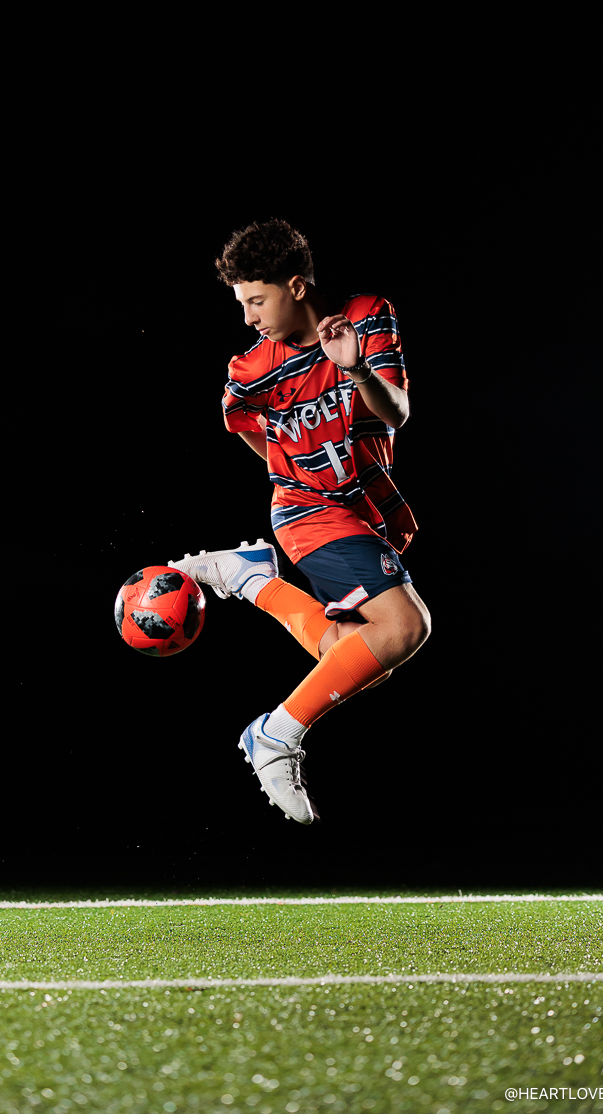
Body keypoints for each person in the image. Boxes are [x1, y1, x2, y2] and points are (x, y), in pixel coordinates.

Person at [170, 219, 431, 824]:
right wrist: (294, 473)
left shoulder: (368, 315)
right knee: (406, 626)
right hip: (306, 512)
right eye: (241, 304)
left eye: (257, 301)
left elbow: (397, 413)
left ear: (295, 286)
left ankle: (251, 579)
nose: (248, 317)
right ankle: (275, 736)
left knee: (356, 655)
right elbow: (246, 427)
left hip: (367, 507)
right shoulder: (250, 369)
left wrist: (356, 368)